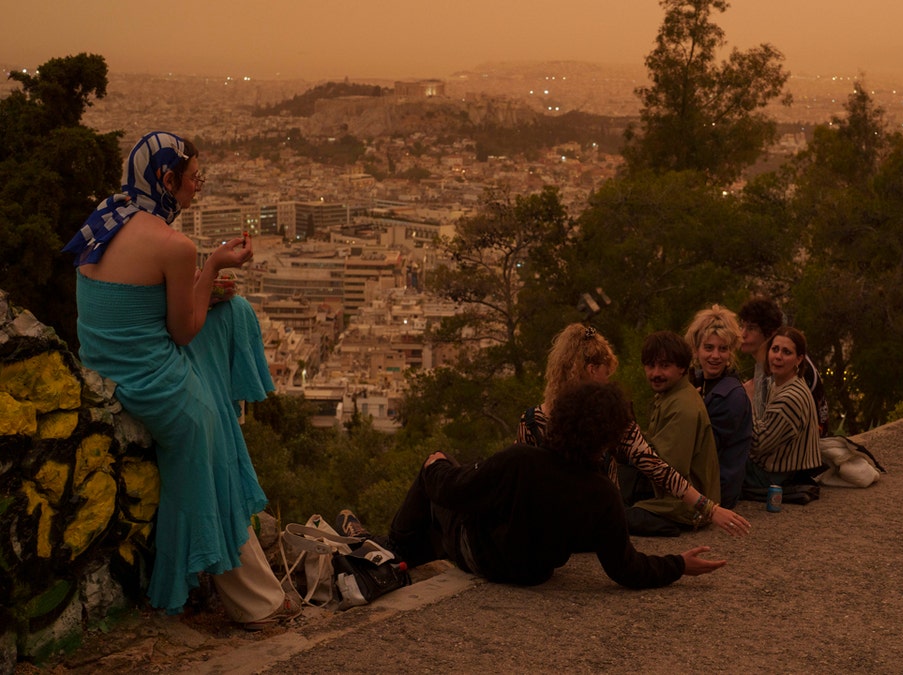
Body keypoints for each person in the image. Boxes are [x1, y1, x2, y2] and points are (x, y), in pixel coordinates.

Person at [64, 131, 297, 629]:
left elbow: (135, 303)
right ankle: (253, 601)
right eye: (194, 180)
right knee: (210, 441)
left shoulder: (109, 215)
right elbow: (183, 332)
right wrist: (210, 265)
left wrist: (205, 288)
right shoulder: (175, 245)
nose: (198, 189)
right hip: (147, 380)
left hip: (105, 361)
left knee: (232, 313)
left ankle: (217, 407)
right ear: (167, 179)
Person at [347, 381, 726, 589]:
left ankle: (390, 549)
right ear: (606, 437)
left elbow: (452, 492)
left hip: (483, 556)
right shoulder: (603, 495)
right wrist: (679, 565)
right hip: (532, 574)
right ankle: (397, 554)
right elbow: (626, 568)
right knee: (455, 504)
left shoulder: (522, 461)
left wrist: (434, 466)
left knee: (442, 470)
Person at [516, 324, 749, 537]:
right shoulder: (611, 418)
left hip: (547, 530)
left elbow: (521, 480)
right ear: (592, 369)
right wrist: (710, 509)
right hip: (592, 527)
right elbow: (660, 470)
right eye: (607, 373)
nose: (608, 381)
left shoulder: (530, 420)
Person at [633, 331, 724, 536]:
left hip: (685, 507)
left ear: (682, 368)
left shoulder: (682, 406)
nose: (656, 373)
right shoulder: (669, 395)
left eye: (664, 366)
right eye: (650, 365)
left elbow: (667, 467)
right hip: (676, 498)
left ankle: (669, 524)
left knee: (614, 518)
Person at [743, 327, 826, 504]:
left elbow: (758, 443)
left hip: (774, 476)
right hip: (783, 469)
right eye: (775, 349)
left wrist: (748, 401)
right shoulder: (786, 383)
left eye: (786, 352)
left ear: (799, 359)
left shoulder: (790, 398)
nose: (778, 357)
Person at [684, 305, 752, 509]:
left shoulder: (731, 396)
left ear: (731, 353)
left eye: (723, 349)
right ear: (696, 349)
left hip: (715, 492)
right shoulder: (698, 382)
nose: (715, 356)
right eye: (709, 348)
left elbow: (703, 451)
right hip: (702, 483)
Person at [737, 296, 830, 434]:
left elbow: (763, 431)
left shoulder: (786, 366)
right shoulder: (765, 365)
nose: (742, 334)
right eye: (742, 326)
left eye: (751, 328)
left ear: (771, 332)